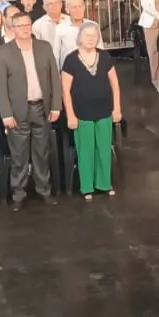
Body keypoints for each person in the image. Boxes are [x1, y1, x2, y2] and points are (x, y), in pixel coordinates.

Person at [0, 12, 62, 208]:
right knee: (19, 156)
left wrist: (56, 105)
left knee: (42, 154)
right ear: (13, 29)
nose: (24, 28)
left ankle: (44, 190)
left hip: (42, 108)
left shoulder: (44, 47)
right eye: (20, 25)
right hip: (16, 112)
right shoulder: (3, 52)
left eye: (27, 25)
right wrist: (6, 114)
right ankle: (18, 194)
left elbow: (54, 78)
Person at [61, 21, 120, 200]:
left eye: (94, 36)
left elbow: (115, 85)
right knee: (86, 151)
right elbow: (65, 91)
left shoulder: (105, 57)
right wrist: (70, 115)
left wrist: (117, 108)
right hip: (81, 113)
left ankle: (104, 184)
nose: (90, 39)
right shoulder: (71, 60)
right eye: (87, 36)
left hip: (104, 111)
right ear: (80, 38)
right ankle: (87, 187)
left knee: (103, 149)